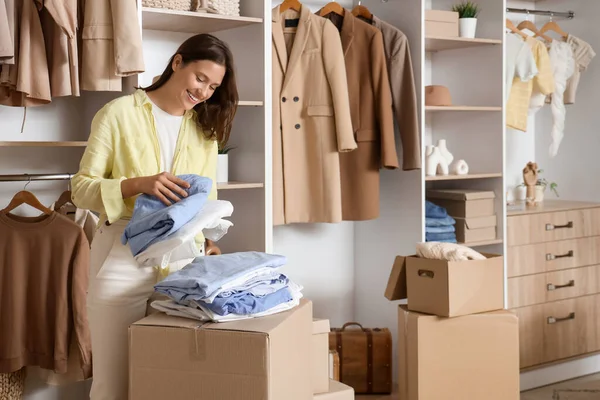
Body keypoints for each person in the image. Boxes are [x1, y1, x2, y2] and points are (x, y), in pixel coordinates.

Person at [70, 33, 238, 400]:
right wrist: (136, 184)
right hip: (121, 258)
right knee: (113, 385)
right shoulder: (118, 114)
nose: (204, 92)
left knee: (172, 382)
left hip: (183, 266)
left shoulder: (204, 130)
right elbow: (80, 189)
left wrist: (207, 242)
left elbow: (206, 199)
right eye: (200, 78)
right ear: (177, 63)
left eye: (213, 86)